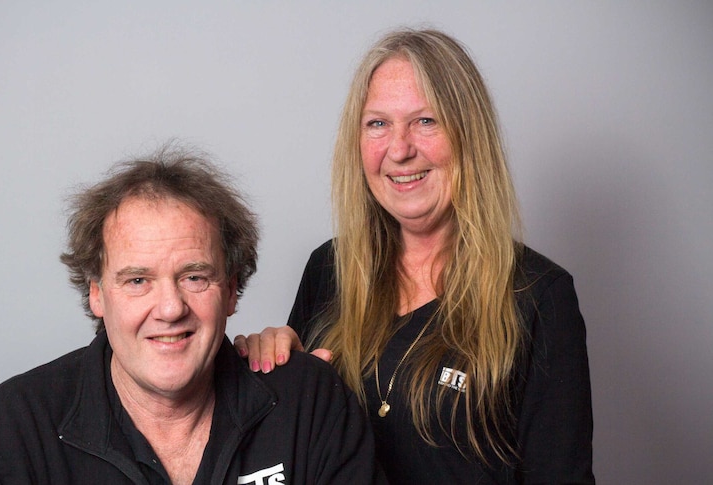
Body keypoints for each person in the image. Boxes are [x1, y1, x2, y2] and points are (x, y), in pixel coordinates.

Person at [235, 29, 595, 484]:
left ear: (470, 136)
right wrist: (272, 368)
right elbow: (293, 445)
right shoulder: (330, 269)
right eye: (378, 124)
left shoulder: (539, 296)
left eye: (425, 121)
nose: (400, 149)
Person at [0, 145, 385, 484]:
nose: (170, 308)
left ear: (232, 290)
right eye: (137, 280)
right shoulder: (14, 431)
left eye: (195, 277)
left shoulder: (308, 404)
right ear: (97, 295)